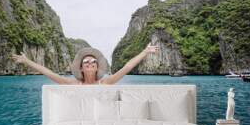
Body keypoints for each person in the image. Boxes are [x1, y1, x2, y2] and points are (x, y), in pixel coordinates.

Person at [11, 42, 160, 85]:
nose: (90, 63)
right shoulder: (74, 84)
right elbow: (49, 73)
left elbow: (127, 67)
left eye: (93, 61)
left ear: (97, 67)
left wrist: (145, 52)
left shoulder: (106, 82)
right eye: (86, 61)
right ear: (81, 68)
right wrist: (27, 61)